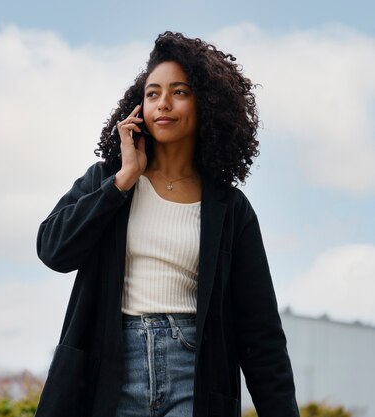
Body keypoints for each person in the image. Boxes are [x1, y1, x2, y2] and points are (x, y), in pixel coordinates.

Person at [34, 31, 299, 417]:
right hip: (111, 368)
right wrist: (122, 181)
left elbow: (261, 332)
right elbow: (53, 250)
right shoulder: (108, 180)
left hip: (195, 372)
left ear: (206, 103)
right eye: (153, 93)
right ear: (138, 107)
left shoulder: (230, 209)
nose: (163, 104)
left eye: (179, 91)